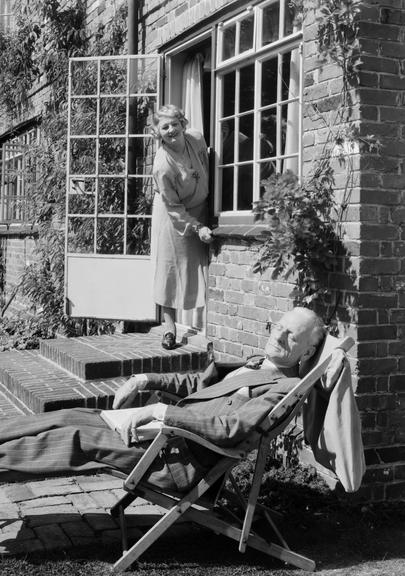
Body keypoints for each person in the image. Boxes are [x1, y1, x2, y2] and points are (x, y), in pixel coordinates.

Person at [0, 308, 348, 493]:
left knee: (73, 437)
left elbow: (228, 427)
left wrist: (159, 409)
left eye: (293, 337)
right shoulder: (258, 363)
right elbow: (199, 384)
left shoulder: (280, 389)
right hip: (160, 435)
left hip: (175, 457)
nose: (280, 337)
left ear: (307, 351)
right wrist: (145, 378)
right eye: (279, 328)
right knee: (70, 415)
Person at [151, 104, 213, 350]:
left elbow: (208, 167)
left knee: (198, 266)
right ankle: (169, 327)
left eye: (174, 124)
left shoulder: (196, 138)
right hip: (172, 214)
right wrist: (197, 228)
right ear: (158, 132)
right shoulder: (162, 166)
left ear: (183, 123)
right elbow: (174, 207)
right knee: (170, 268)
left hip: (200, 206)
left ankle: (207, 323)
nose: (171, 130)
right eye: (164, 126)